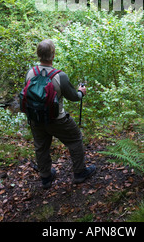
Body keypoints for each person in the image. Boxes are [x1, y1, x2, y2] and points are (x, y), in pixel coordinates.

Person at [25, 39, 96, 189]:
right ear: (53, 55)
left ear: (38, 54)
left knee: (41, 147)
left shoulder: (30, 73)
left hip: (36, 119)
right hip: (57, 120)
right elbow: (74, 97)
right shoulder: (59, 76)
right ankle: (79, 173)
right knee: (75, 139)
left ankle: (45, 177)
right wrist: (81, 92)